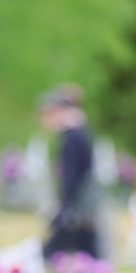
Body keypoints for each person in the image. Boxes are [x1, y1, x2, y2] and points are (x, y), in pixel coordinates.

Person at [39, 85, 100, 259]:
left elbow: (72, 174)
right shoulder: (78, 132)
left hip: (77, 204)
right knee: (86, 249)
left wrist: (64, 203)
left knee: (55, 249)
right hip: (81, 205)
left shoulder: (73, 135)